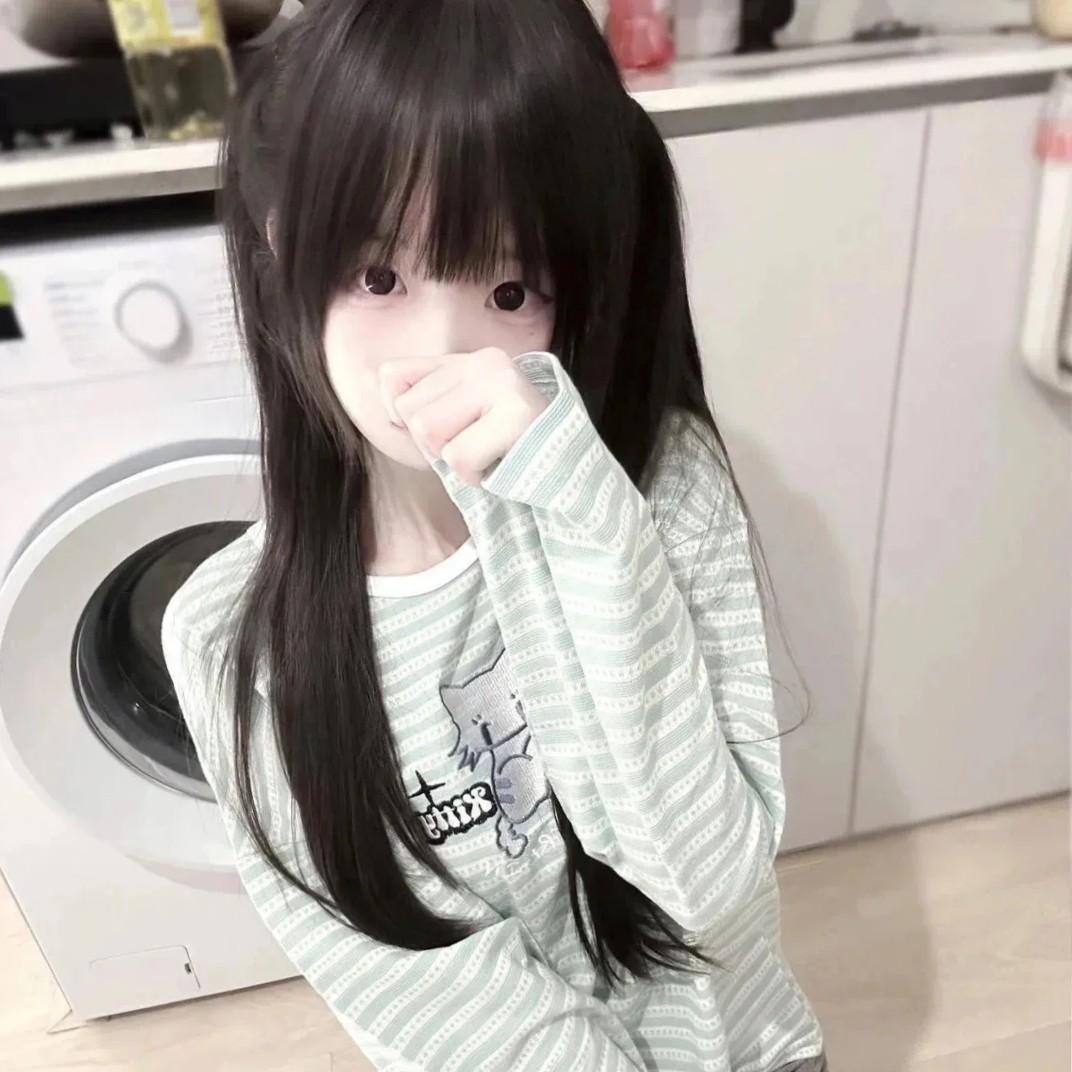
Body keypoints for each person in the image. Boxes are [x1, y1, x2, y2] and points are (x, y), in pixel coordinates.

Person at [161, 0, 830, 1068]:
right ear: (285, 246)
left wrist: (584, 521)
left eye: (510, 289)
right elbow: (429, 993)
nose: (441, 348)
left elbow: (704, 890)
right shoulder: (228, 641)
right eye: (379, 277)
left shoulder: (658, 488)